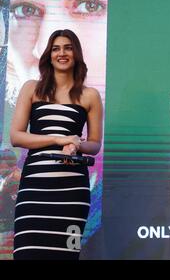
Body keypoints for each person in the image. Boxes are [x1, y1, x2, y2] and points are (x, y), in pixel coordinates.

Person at [9, 29, 103, 259]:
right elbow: (16, 136)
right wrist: (57, 139)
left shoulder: (90, 95)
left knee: (66, 255)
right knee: (27, 253)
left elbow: (94, 144)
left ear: (76, 54)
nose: (62, 53)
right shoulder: (32, 88)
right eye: (56, 48)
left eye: (68, 47)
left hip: (72, 194)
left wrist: (77, 145)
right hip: (34, 189)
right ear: (49, 55)